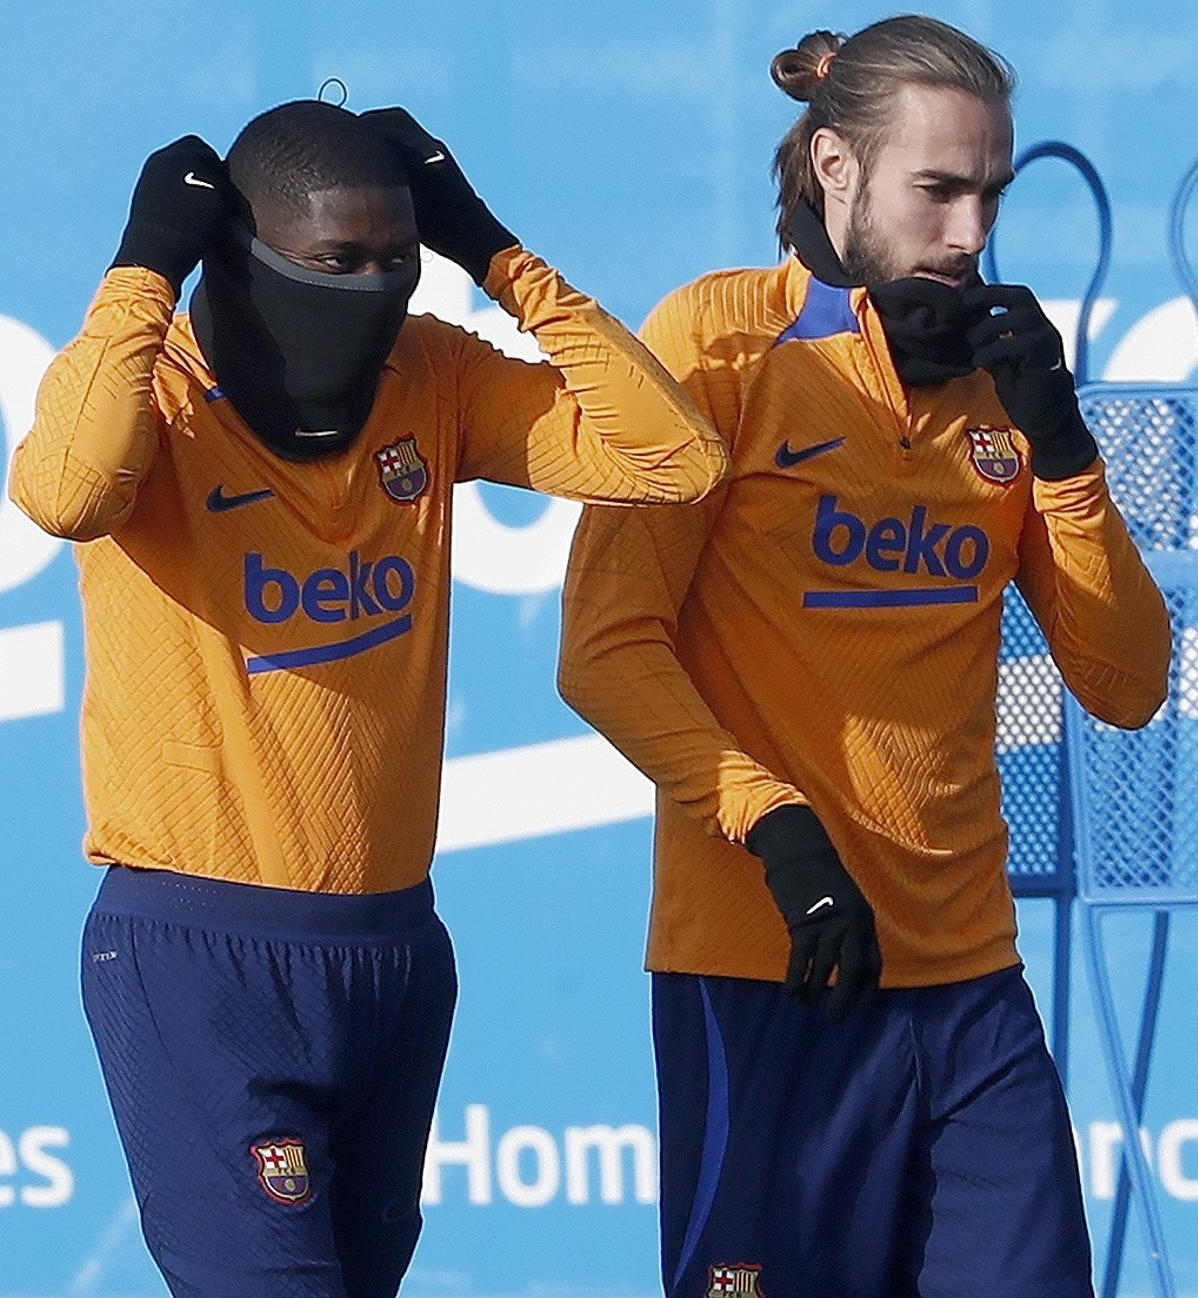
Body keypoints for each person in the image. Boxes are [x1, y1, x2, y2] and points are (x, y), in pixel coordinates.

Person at [9, 99, 727, 1297]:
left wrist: (491, 248)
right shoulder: (158, 397)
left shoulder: (429, 374)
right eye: (338, 263)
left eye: (398, 260)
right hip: (203, 952)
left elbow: (673, 456)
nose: (377, 289)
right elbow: (70, 492)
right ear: (245, 256)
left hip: (392, 949)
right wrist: (144, 266)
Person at [558, 15, 1171, 1298]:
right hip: (770, 968)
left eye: (989, 196)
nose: (970, 235)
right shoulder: (723, 343)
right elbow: (607, 651)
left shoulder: (1006, 381)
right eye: (937, 190)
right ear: (836, 168)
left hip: (968, 986)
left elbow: (1127, 686)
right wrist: (773, 824)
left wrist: (1065, 456)